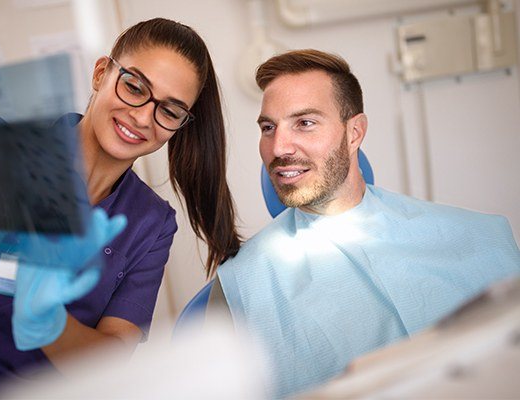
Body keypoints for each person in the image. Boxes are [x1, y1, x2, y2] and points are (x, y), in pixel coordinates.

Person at [0, 19, 241, 398]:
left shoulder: (150, 224)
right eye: (134, 86)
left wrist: (51, 325)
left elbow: (111, 357)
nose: (142, 117)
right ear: (101, 73)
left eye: (169, 111)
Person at [215, 49, 520, 398]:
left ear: (355, 132)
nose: (279, 147)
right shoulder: (241, 285)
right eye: (268, 127)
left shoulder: (478, 237)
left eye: (305, 123)